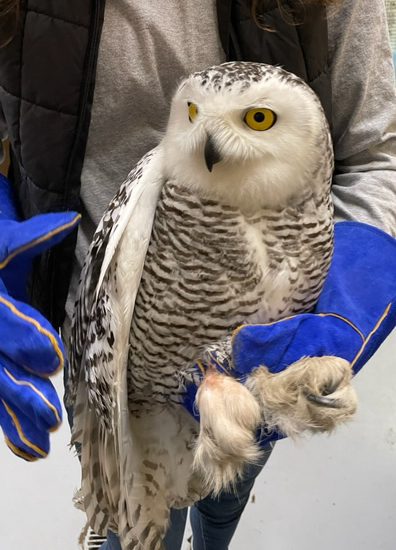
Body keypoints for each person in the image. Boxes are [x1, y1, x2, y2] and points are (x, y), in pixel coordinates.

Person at [1, 1, 396, 549]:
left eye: (255, 118)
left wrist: (347, 293)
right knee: (136, 515)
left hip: (271, 340)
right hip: (102, 342)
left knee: (232, 477)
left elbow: (377, 153)